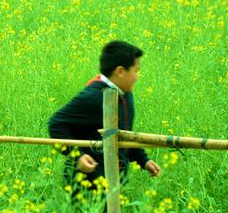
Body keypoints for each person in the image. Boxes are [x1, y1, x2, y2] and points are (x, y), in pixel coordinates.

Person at [48, 40, 161, 197]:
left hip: (113, 181)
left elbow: (123, 133)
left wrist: (143, 160)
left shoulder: (125, 95)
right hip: (87, 184)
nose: (137, 77)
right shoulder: (94, 96)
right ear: (120, 71)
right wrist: (77, 156)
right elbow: (57, 123)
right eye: (136, 71)